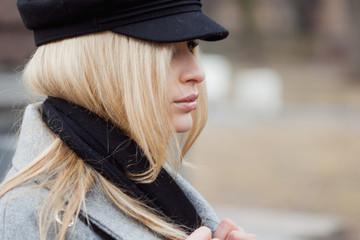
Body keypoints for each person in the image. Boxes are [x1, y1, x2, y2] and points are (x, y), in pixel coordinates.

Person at [0, 0, 258, 240]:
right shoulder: (28, 214)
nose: (197, 73)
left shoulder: (140, 179)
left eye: (191, 46)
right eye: (168, 50)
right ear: (99, 64)